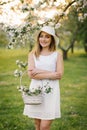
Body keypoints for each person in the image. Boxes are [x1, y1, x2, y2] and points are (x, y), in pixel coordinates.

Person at [23, 26, 64, 130]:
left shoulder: (57, 55)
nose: (44, 39)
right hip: (36, 91)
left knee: (45, 126)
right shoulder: (33, 54)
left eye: (47, 37)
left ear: (52, 39)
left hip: (51, 92)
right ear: (38, 38)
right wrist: (51, 74)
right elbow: (31, 74)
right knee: (37, 125)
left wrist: (39, 71)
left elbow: (59, 75)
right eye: (41, 36)